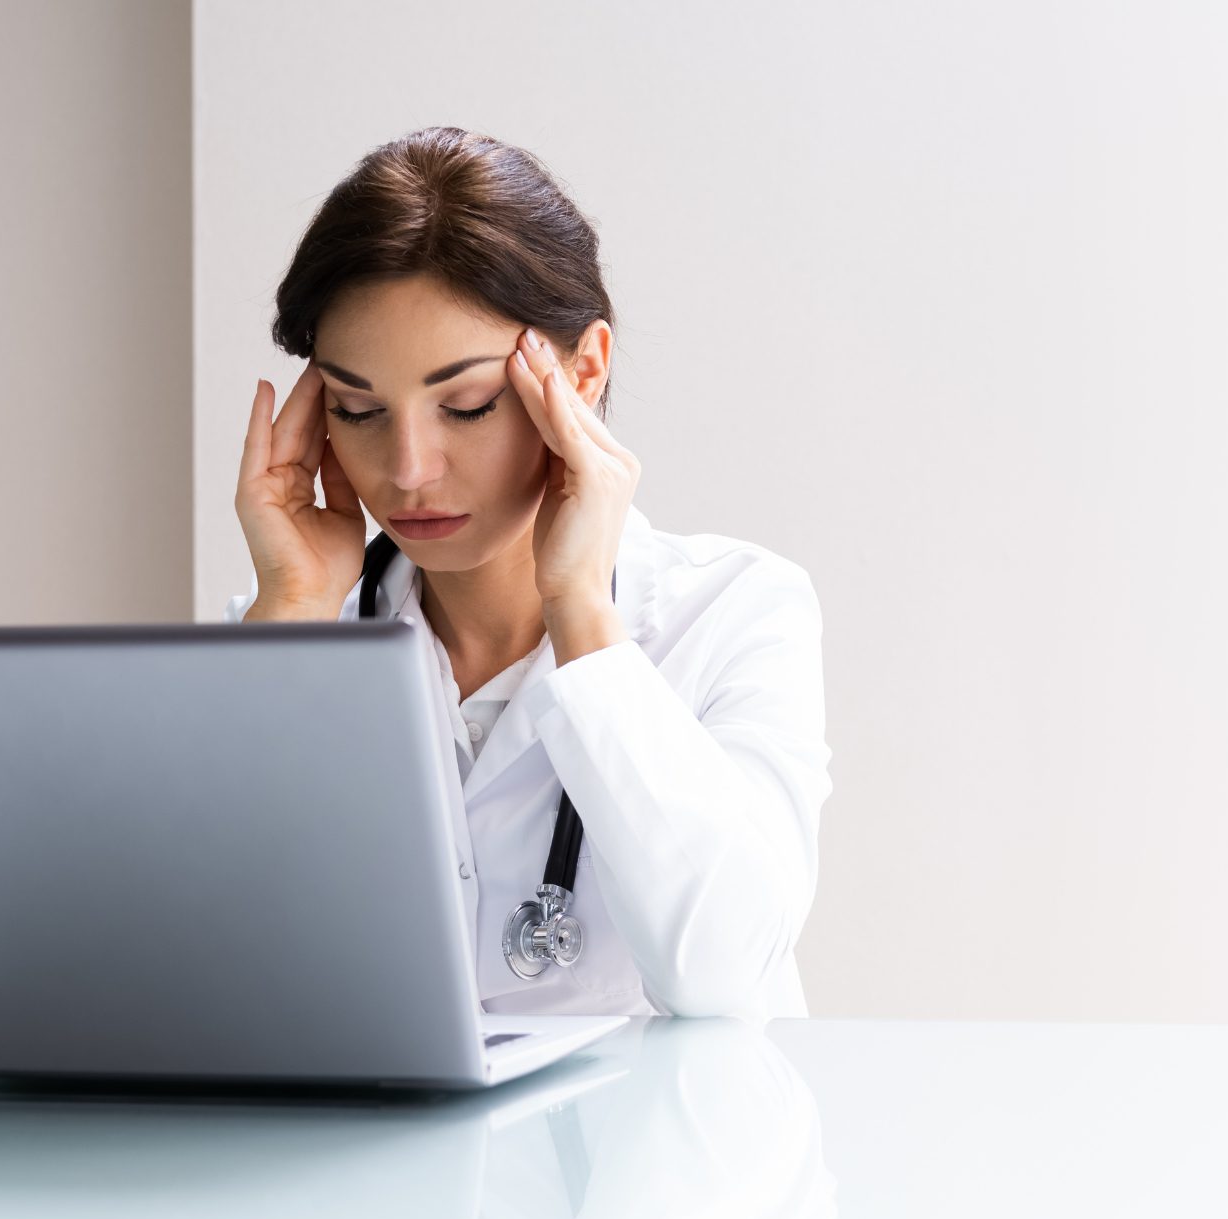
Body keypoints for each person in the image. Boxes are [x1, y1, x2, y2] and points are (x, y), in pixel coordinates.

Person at [225, 126, 831, 1021]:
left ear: (581, 370)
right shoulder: (289, 633)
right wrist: (293, 618)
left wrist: (581, 612)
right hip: (375, 1164)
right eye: (357, 410)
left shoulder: (734, 613)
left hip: (660, 1164)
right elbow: (204, 981)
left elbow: (724, 976)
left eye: (466, 407)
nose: (408, 469)